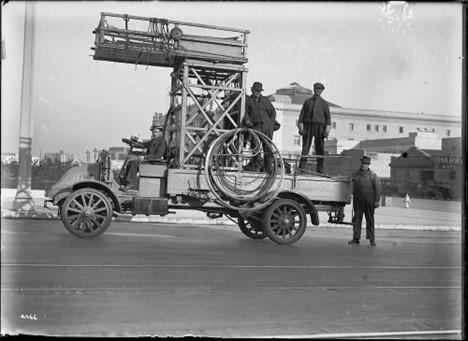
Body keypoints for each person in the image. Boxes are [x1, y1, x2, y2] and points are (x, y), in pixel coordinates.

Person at [120, 124, 167, 191]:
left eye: (156, 132)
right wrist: (132, 143)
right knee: (130, 163)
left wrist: (145, 157)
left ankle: (131, 183)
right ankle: (125, 183)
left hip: (154, 162)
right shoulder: (153, 141)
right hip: (149, 161)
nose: (154, 134)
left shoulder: (162, 142)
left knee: (135, 163)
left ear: (160, 133)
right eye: (153, 132)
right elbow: (143, 145)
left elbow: (158, 155)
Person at [242, 81, 277, 171]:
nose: (258, 93)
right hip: (255, 126)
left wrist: (271, 124)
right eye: (256, 91)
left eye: (259, 91)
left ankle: (268, 167)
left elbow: (272, 112)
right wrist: (248, 121)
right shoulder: (248, 100)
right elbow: (245, 113)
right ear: (252, 90)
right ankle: (255, 165)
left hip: (266, 127)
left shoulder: (265, 100)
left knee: (267, 147)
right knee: (255, 146)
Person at [297, 82, 331, 173]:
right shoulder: (307, 102)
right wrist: (301, 129)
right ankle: (302, 169)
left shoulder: (324, 104)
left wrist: (326, 131)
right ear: (313, 89)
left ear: (322, 91)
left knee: (320, 149)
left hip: (320, 128)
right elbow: (301, 117)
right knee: (305, 148)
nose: (317, 90)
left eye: (319, 89)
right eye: (316, 88)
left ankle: (320, 170)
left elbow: (328, 119)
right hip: (308, 127)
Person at [348, 155, 381, 246]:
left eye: (366, 164)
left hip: (369, 201)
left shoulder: (373, 175)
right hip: (358, 201)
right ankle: (356, 238)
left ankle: (372, 239)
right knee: (357, 219)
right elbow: (350, 183)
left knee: (370, 219)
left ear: (368, 165)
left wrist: (377, 201)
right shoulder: (355, 173)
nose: (364, 165)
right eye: (363, 163)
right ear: (361, 163)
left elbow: (378, 189)